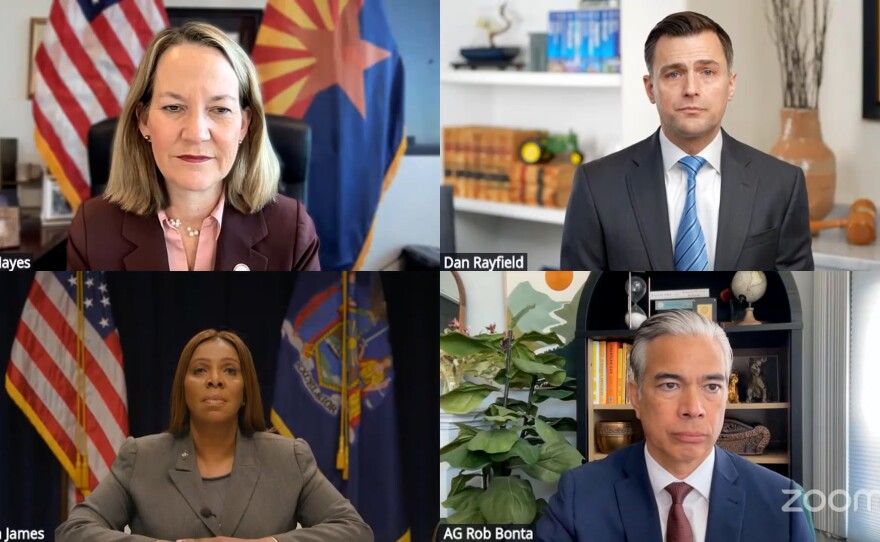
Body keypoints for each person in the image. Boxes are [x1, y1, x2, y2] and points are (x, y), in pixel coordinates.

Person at [56, 329, 372, 542]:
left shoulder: (288, 458)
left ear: (246, 389)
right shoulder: (141, 456)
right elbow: (75, 530)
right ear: (184, 386)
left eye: (230, 370)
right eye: (200, 370)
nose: (215, 381)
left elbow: (354, 530)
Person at [560, 11, 813, 271]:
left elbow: (795, 301)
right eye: (673, 74)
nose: (691, 88)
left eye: (707, 71)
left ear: (730, 85)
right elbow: (582, 302)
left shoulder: (782, 184)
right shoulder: (596, 186)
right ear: (650, 89)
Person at [536, 311, 813, 541]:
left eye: (712, 386)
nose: (693, 408)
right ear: (636, 396)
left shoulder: (782, 504)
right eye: (670, 385)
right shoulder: (580, 495)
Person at [67, 23, 320, 271]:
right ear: (144, 121)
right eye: (173, 107)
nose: (196, 134)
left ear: (243, 125)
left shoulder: (291, 230)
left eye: (220, 109)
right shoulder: (93, 229)